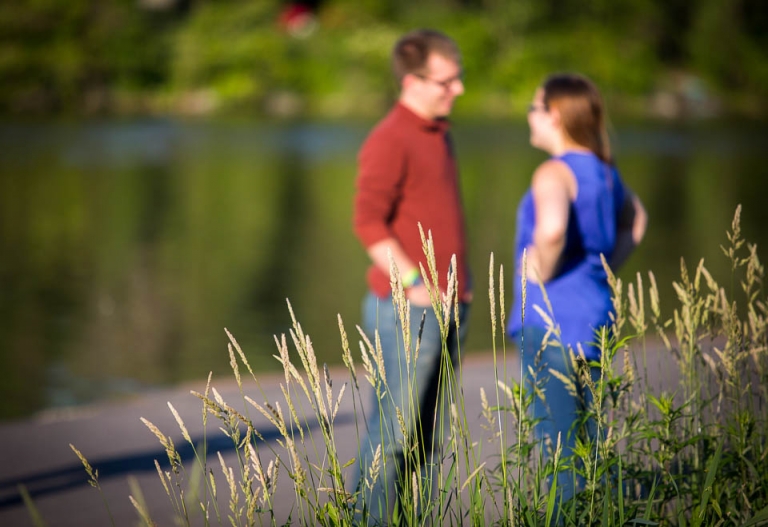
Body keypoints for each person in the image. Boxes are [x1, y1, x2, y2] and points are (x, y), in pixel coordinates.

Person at [506, 73, 647, 509]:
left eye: (533, 108)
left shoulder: (555, 171)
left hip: (551, 323)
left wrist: (537, 273)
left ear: (553, 114)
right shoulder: (605, 172)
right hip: (596, 316)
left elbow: (551, 230)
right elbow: (636, 222)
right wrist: (602, 269)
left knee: (559, 446)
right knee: (589, 442)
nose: (528, 117)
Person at [351, 29, 472, 523]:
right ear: (414, 80)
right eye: (448, 81)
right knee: (393, 439)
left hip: (451, 306)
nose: (458, 90)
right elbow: (367, 222)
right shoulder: (391, 137)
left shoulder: (438, 133)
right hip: (410, 310)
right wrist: (416, 286)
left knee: (425, 441)